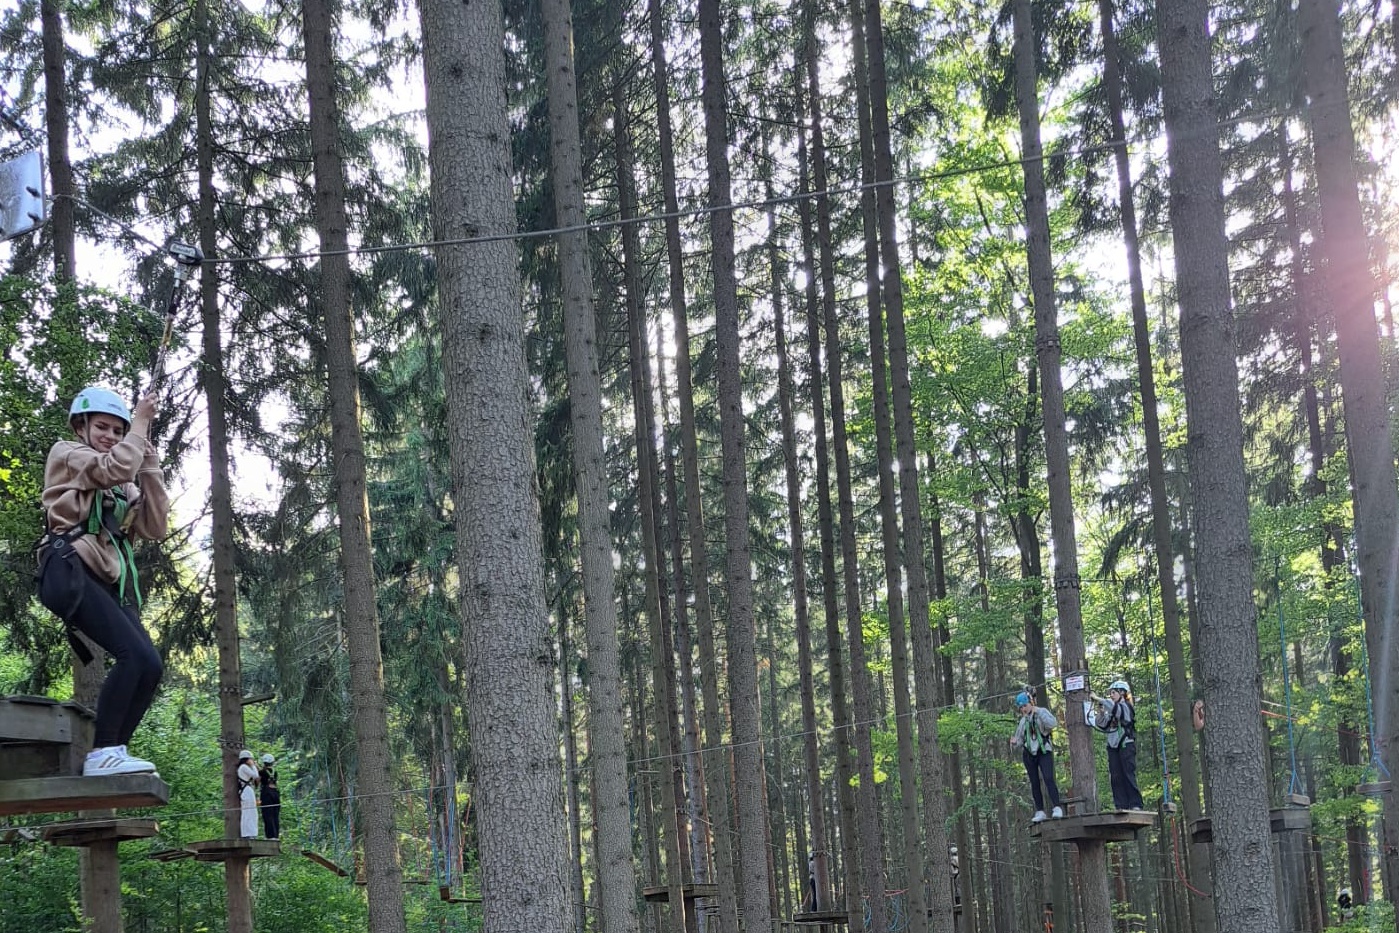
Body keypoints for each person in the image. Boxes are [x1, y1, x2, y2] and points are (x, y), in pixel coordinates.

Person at [36, 387, 168, 777]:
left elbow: (155, 526)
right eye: (102, 428)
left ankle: (112, 751)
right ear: (82, 427)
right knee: (132, 655)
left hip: (99, 580)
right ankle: (102, 751)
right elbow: (113, 467)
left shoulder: (122, 486)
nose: (110, 436)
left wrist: (150, 465)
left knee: (149, 664)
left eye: (117, 430)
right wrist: (140, 421)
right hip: (67, 569)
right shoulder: (68, 454)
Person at [1010, 691, 1063, 822]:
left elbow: (1052, 724)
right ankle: (1040, 810)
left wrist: (1038, 711)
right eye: (1021, 707)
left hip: (1043, 750)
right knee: (1034, 782)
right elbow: (1019, 739)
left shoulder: (1041, 712)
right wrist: (1014, 743)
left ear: (1031, 703)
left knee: (1048, 778)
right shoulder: (1023, 721)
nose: (1023, 709)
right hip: (1029, 754)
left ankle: (1057, 807)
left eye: (1025, 705)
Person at [1091, 679, 1144, 810]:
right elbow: (1102, 724)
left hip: (1126, 744)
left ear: (1122, 693)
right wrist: (1101, 711)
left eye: (1114, 692)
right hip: (1113, 747)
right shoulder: (1111, 709)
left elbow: (1118, 711)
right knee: (1115, 777)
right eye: (1110, 693)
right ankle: (1121, 805)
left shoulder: (1126, 707)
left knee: (1128, 774)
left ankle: (1135, 803)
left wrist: (1099, 698)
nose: (1111, 695)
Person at [237, 749, 260, 838]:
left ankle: (252, 832)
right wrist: (253, 766)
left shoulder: (243, 767)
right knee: (248, 812)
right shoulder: (243, 767)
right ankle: (248, 833)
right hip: (246, 791)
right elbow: (255, 776)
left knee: (252, 812)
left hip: (248, 790)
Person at [258, 752, 281, 839]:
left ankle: (270, 835)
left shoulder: (261, 772)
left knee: (267, 814)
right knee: (275, 814)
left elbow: (257, 781)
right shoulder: (275, 772)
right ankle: (276, 835)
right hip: (275, 793)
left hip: (266, 793)